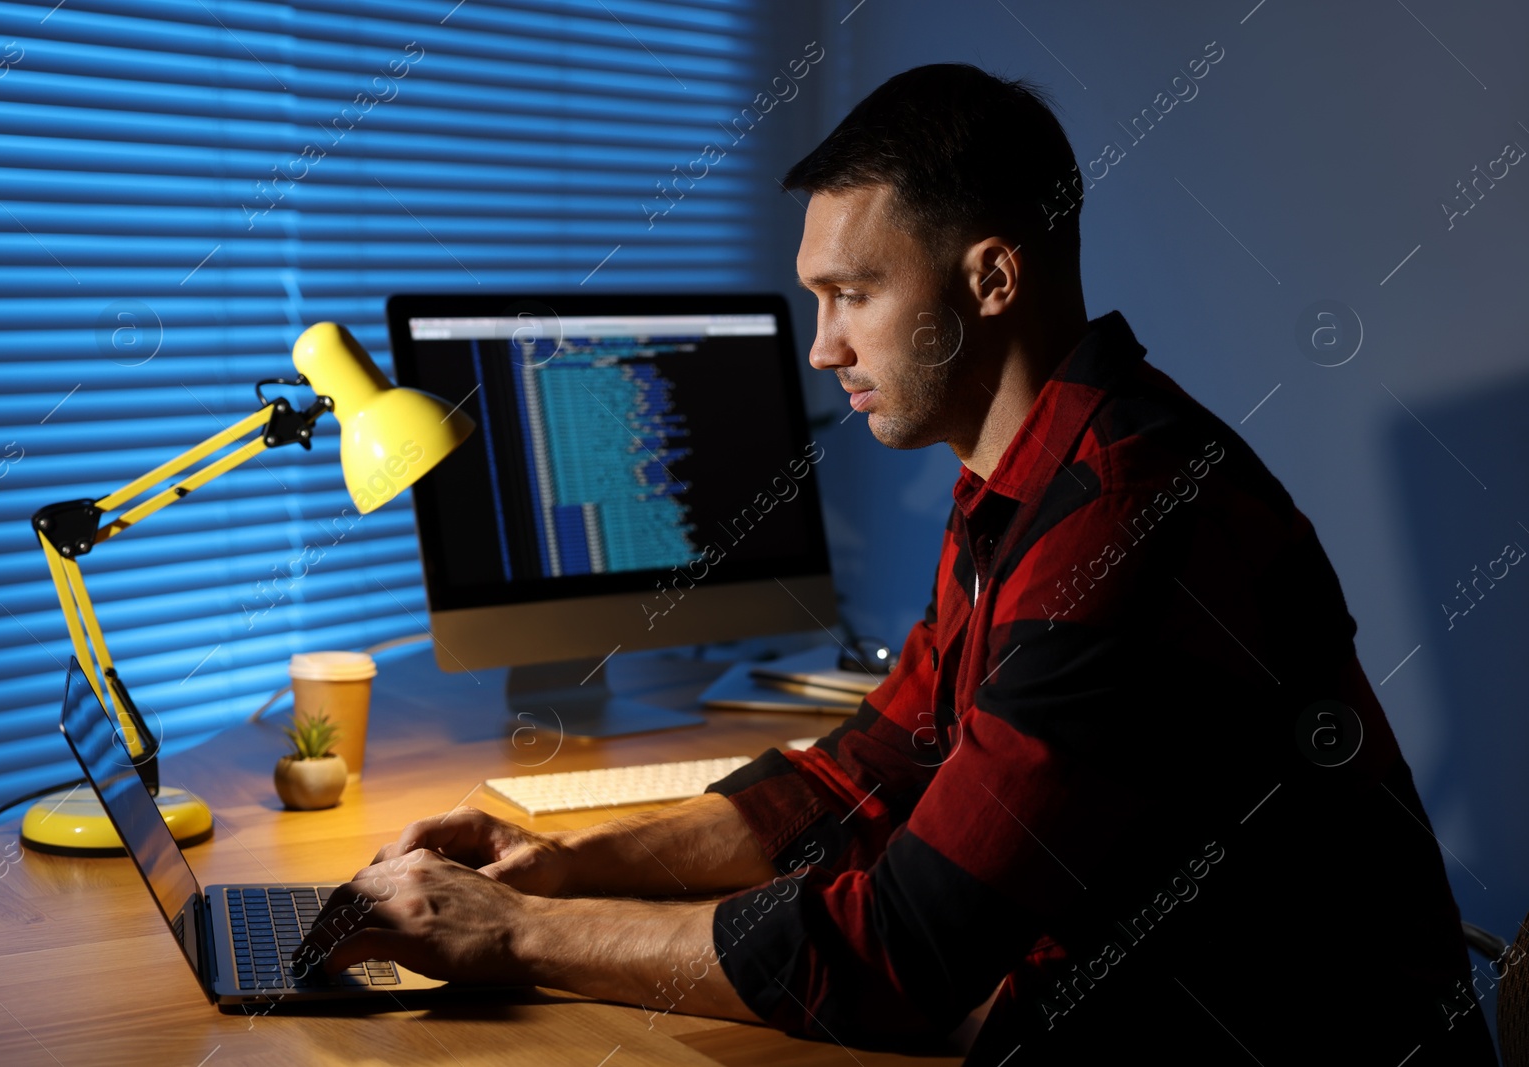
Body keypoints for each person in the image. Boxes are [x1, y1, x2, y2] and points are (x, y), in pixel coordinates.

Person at [297, 65, 1495, 1064]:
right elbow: (867, 769)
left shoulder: (1122, 524)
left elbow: (898, 951)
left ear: (989, 278)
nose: (820, 347)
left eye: (851, 294)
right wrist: (556, 866)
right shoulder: (1016, 486)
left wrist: (510, 933)